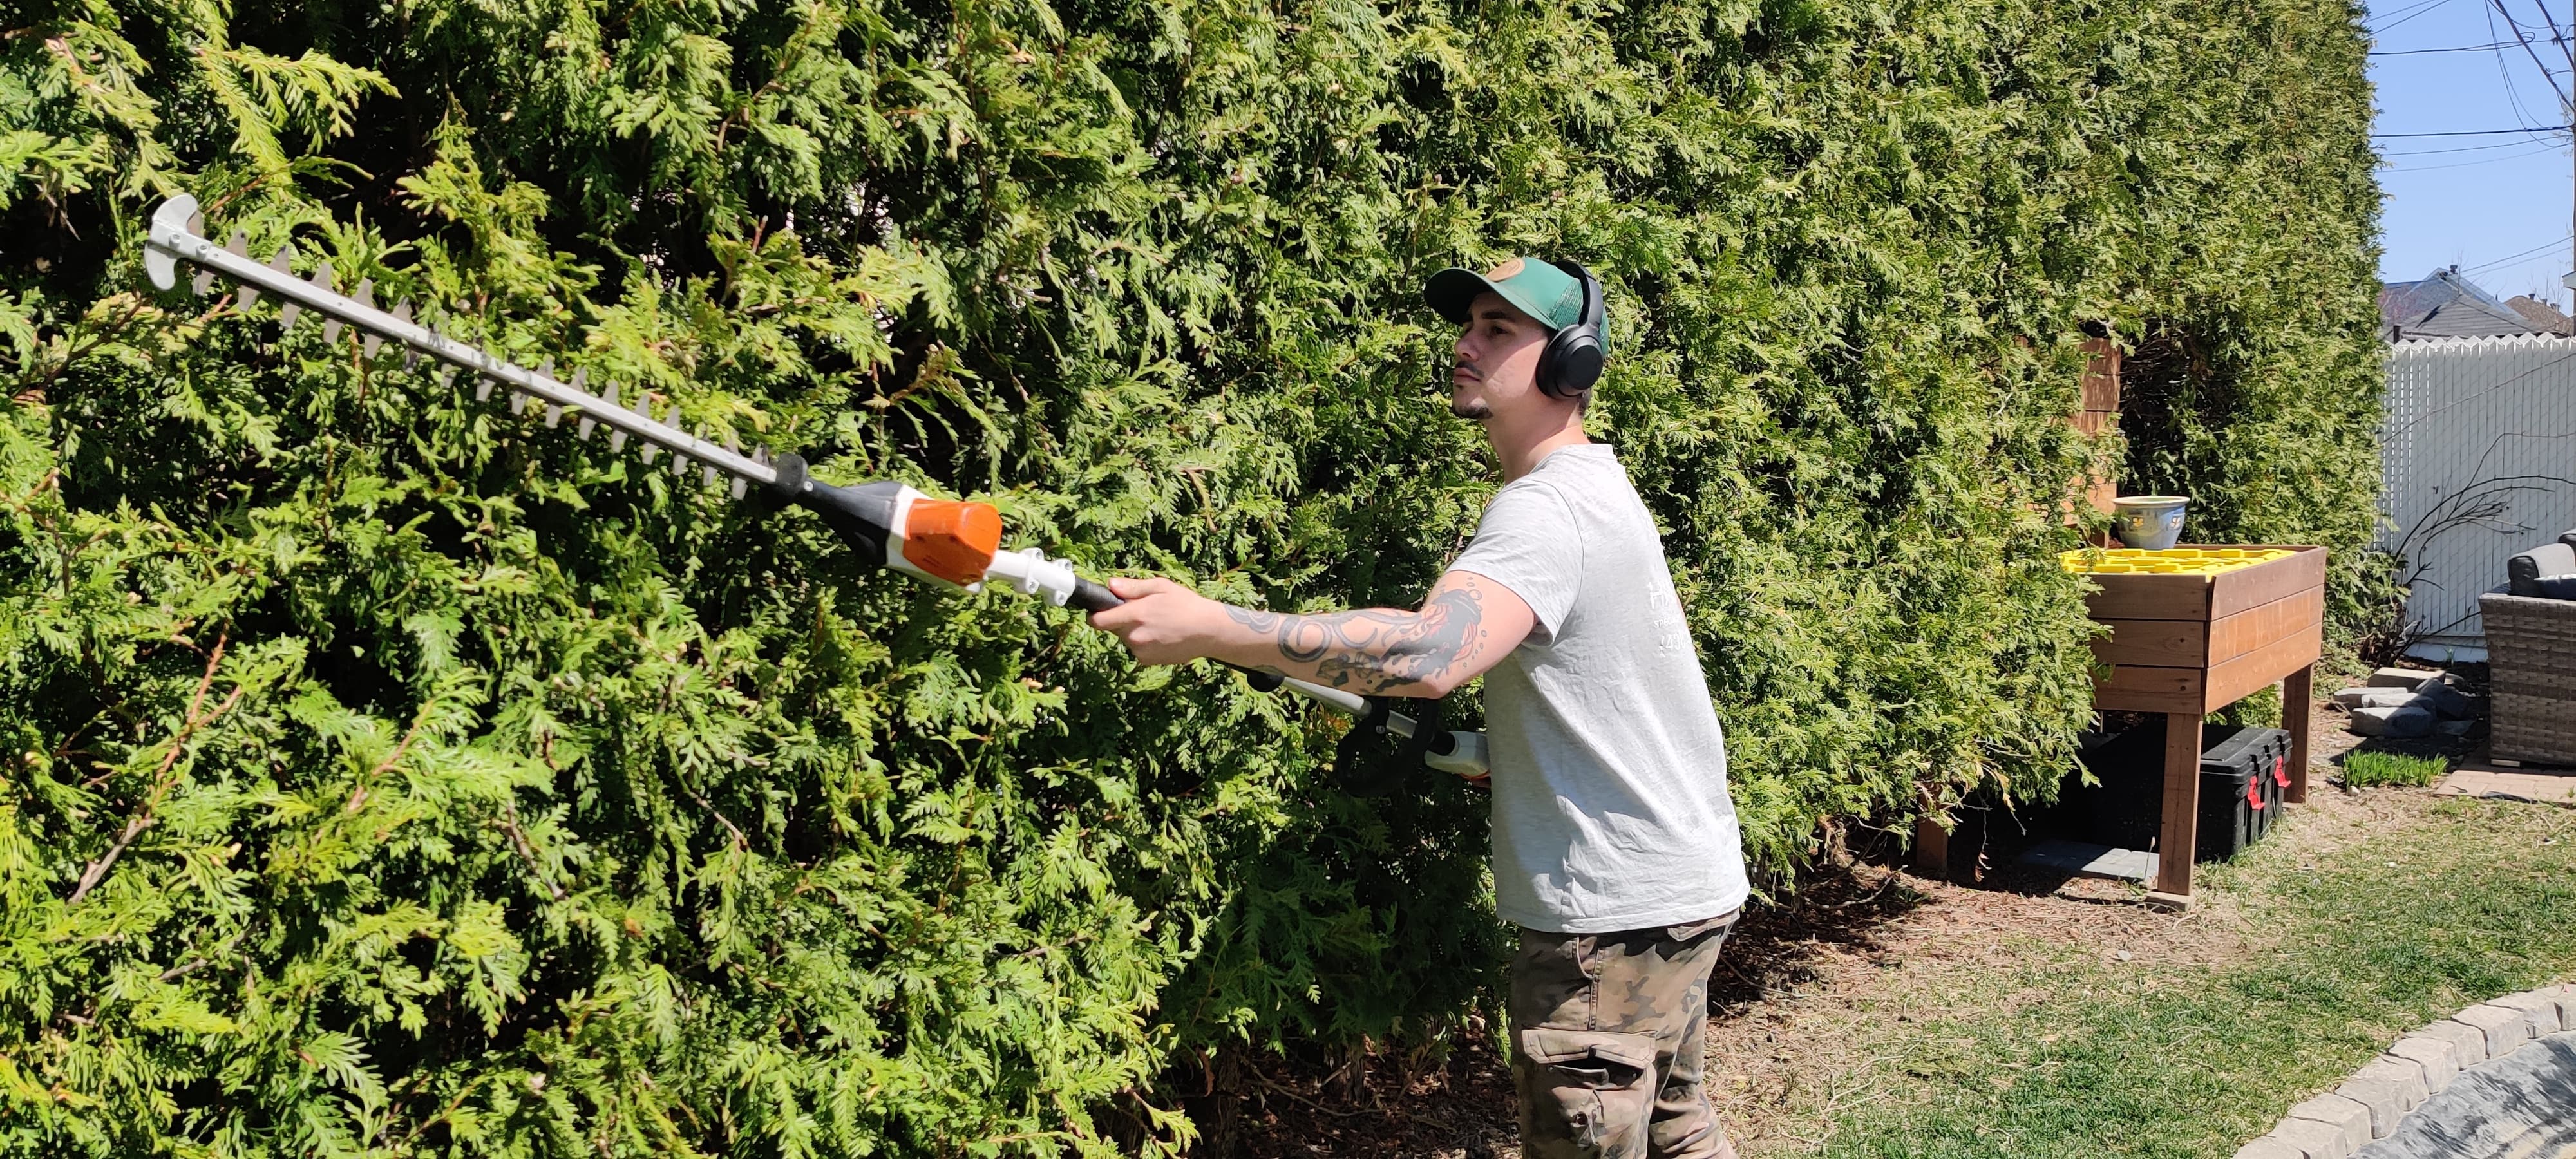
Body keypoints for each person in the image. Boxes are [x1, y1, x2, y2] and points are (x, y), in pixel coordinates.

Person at [1087, 257, 1750, 1158]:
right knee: (1677, 1133)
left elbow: (1433, 652)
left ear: (1573, 362)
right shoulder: (1597, 487)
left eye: (1498, 330)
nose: (1466, 345)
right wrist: (1507, 755)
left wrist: (1213, 626)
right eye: (1468, 324)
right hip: (1677, 889)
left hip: (1609, 921)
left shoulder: (1546, 511)